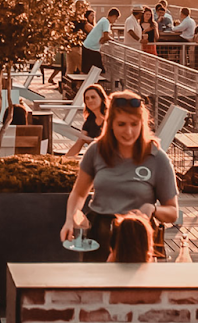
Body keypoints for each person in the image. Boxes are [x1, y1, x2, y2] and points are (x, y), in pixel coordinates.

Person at [60, 92, 179, 262]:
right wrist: (70, 219)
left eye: (134, 124)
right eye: (121, 124)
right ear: (111, 124)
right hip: (98, 234)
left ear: (142, 125)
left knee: (130, 288)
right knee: (96, 286)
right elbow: (79, 193)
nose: (128, 131)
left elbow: (173, 212)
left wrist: (152, 209)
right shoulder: (96, 151)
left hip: (134, 238)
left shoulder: (156, 158)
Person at [63, 83, 108, 160]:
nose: (89, 100)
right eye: (87, 98)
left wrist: (90, 140)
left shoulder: (111, 118)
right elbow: (80, 141)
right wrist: (65, 159)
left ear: (101, 98)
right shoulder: (90, 120)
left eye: (93, 97)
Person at [80, 8, 116, 79]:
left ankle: (85, 86)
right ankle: (96, 86)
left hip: (88, 46)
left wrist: (103, 39)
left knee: (87, 70)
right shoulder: (106, 22)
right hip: (91, 48)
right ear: (113, 16)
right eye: (115, 19)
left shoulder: (103, 19)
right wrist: (111, 39)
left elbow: (103, 37)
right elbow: (106, 36)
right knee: (100, 70)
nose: (115, 21)